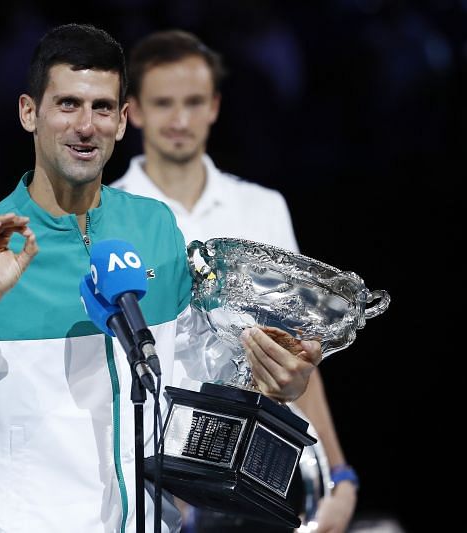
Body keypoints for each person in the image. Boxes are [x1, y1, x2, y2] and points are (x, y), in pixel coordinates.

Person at [0, 23, 322, 533]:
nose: (86, 126)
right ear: (28, 112)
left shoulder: (155, 226)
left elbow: (196, 371)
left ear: (124, 119)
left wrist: (270, 379)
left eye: (102, 107)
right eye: (67, 104)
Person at [109, 30, 357, 532]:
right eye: (163, 103)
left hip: (255, 479)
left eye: (194, 102)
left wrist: (337, 471)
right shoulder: (107, 216)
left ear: (215, 106)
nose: (180, 120)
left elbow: (296, 354)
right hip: (140, 481)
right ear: (132, 111)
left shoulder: (263, 208)